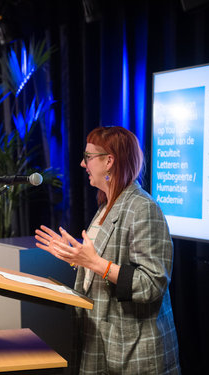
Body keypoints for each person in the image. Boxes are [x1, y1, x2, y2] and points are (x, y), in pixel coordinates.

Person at [35, 126, 181, 374]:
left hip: (133, 351)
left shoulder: (143, 208)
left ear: (109, 161)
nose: (83, 164)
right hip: (101, 342)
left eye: (88, 157)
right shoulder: (106, 205)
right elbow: (103, 259)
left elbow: (152, 283)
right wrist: (75, 256)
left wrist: (94, 263)